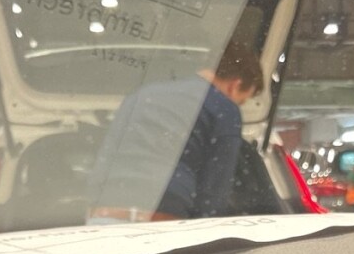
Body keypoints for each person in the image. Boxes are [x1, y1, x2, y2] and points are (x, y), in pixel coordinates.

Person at [87, 42, 263, 223]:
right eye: (241, 101)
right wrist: (206, 225)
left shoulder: (143, 94)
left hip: (107, 207)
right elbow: (215, 185)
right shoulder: (224, 108)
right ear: (235, 85)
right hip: (164, 213)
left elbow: (107, 154)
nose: (237, 105)